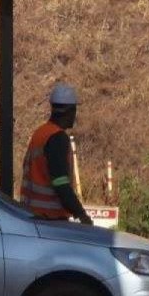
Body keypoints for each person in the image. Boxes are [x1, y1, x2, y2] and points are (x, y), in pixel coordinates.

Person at [20, 83, 93, 225]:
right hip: (50, 220)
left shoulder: (40, 133)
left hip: (32, 215)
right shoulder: (57, 138)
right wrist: (81, 214)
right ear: (70, 111)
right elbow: (61, 183)